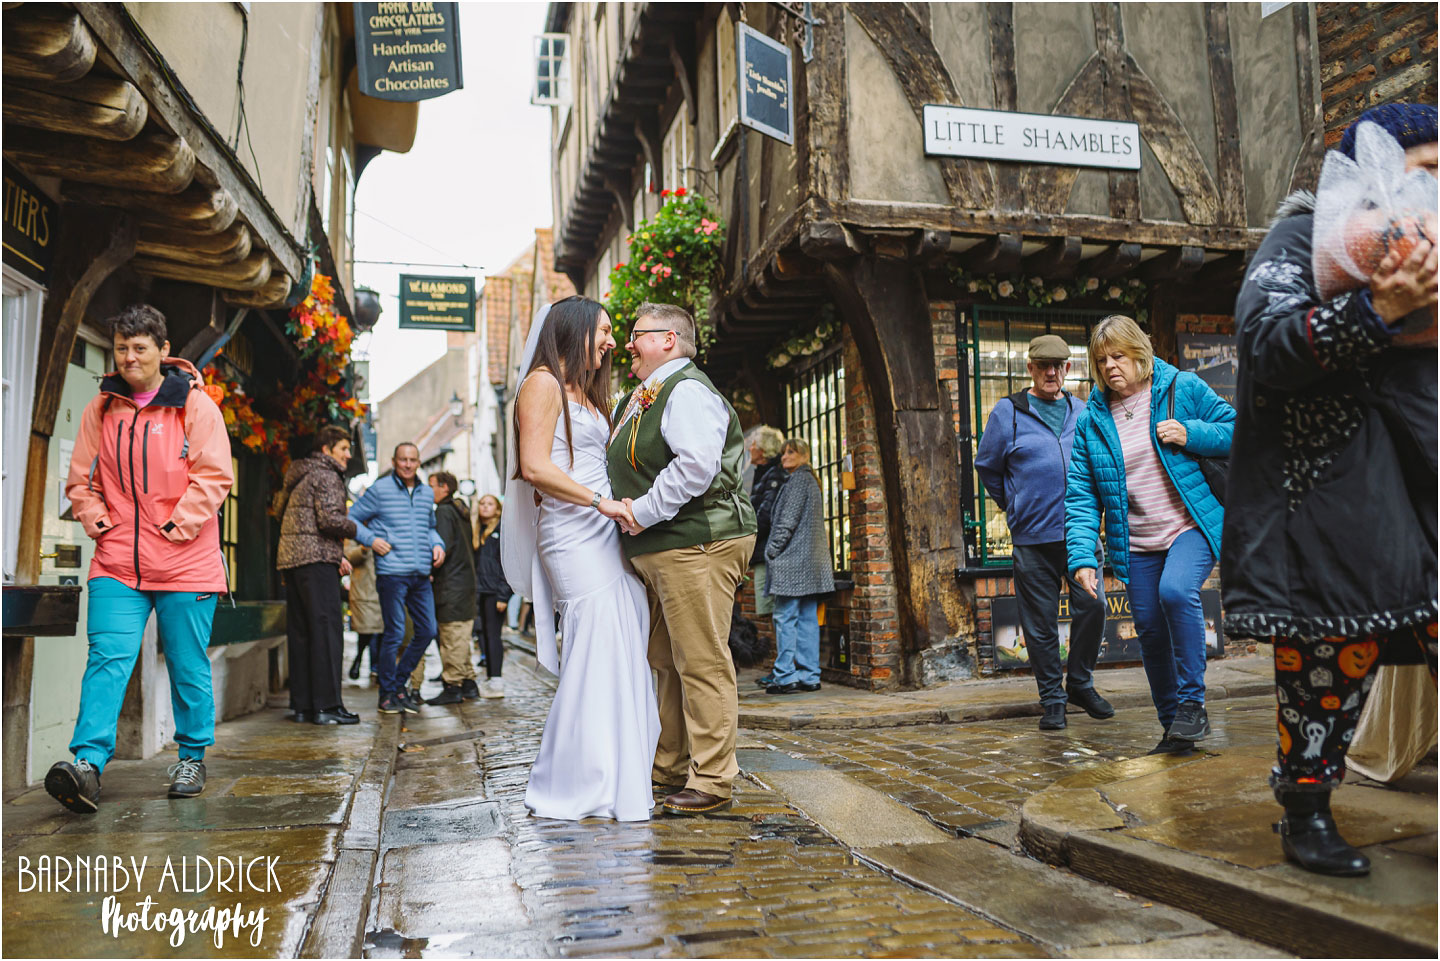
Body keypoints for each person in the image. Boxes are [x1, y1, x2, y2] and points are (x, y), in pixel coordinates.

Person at [1224, 103, 1437, 877]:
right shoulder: (1303, 237)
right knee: (1327, 663)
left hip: (1429, 495)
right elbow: (1265, 342)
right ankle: (1307, 814)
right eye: (1428, 171)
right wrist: (1380, 307)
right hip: (1335, 501)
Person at [46, 305, 233, 812]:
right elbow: (80, 479)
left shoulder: (194, 406)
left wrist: (178, 526)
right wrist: (100, 523)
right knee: (107, 658)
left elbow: (214, 475)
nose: (129, 357)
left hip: (185, 561)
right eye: (121, 348)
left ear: (163, 352)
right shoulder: (101, 408)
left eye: (139, 348)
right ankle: (87, 765)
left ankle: (191, 756)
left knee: (187, 663)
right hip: (118, 563)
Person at [504, 296, 660, 822]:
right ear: (574, 330)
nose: (614, 341)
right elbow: (533, 467)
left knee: (626, 623)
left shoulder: (591, 393)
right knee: (596, 635)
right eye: (605, 330)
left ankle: (619, 772)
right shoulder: (542, 384)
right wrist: (601, 502)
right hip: (573, 529)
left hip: (606, 525)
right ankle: (573, 778)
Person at [607, 301, 758, 816]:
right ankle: (670, 763)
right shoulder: (642, 395)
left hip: (699, 541)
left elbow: (696, 466)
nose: (628, 344)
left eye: (637, 335)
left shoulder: (687, 389)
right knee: (665, 661)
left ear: (669, 340)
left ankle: (713, 777)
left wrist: (640, 512)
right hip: (665, 547)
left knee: (700, 660)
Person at [1065, 314, 1234, 754]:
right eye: (1102, 360)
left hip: (1189, 525)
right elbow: (1082, 494)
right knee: (1150, 631)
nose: (1110, 367)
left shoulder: (1183, 389)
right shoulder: (1092, 419)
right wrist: (1083, 557)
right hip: (1137, 542)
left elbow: (1238, 431)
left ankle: (1193, 706)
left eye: (1118, 356)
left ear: (1140, 353)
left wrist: (1190, 432)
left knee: (1177, 592)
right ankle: (1173, 728)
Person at [976, 334, 1112, 731]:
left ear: (1068, 369)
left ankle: (1080, 683)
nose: (1052, 372)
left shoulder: (1083, 411)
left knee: (1094, 607)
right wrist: (1015, 507)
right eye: (1043, 366)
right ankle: (1053, 699)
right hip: (1033, 539)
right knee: (1040, 623)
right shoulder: (1007, 413)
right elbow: (988, 467)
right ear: (1031, 369)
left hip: (1080, 535)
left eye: (1059, 366)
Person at [349, 443, 445, 715]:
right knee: (395, 634)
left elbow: (430, 528)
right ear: (394, 461)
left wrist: (438, 544)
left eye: (412, 460)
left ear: (418, 463)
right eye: (402, 459)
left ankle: (398, 683)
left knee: (427, 630)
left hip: (420, 573)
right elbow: (352, 518)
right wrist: (371, 540)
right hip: (392, 572)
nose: (407, 464)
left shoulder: (427, 493)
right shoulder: (379, 490)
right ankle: (387, 694)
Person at [275, 425, 360, 725]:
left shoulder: (300, 474)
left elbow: (283, 512)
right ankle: (327, 707)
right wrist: (357, 529)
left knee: (301, 634)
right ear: (327, 450)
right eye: (344, 449)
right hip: (316, 560)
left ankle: (303, 706)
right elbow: (329, 520)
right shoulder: (327, 474)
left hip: (293, 559)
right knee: (326, 632)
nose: (348, 455)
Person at [762, 437, 834, 695]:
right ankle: (810, 674)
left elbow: (786, 523)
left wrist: (771, 551)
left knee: (785, 617)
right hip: (810, 564)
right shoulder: (811, 482)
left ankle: (785, 675)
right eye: (783, 453)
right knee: (806, 619)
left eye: (791, 452)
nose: (784, 457)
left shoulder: (797, 482)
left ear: (804, 456)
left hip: (793, 563)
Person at [423, 471, 479, 705]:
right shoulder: (460, 510)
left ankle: (453, 685)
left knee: (452, 635)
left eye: (432, 486)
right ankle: (468, 682)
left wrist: (429, 571)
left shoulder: (445, 512)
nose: (428, 491)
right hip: (463, 583)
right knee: (459, 636)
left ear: (444, 488)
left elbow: (440, 550)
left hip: (451, 585)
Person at [745, 426, 788, 689]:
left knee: (775, 611)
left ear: (762, 449)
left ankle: (782, 669)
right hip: (761, 554)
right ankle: (779, 668)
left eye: (752, 444)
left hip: (769, 555)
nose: (749, 447)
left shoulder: (773, 476)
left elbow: (764, 516)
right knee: (770, 612)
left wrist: (744, 530)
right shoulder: (763, 473)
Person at [473, 494, 511, 698]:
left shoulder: (501, 530)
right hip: (480, 590)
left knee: (493, 634)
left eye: (489, 504)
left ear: (497, 509)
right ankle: (490, 677)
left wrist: (504, 595)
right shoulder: (476, 530)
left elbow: (508, 563)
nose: (485, 507)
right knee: (482, 634)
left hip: (495, 591)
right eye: (482, 503)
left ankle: (496, 680)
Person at [345, 535, 382, 683]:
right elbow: (348, 555)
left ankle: (376, 667)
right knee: (367, 630)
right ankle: (362, 660)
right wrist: (364, 548)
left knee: (382, 633)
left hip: (385, 586)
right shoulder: (356, 530)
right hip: (364, 589)